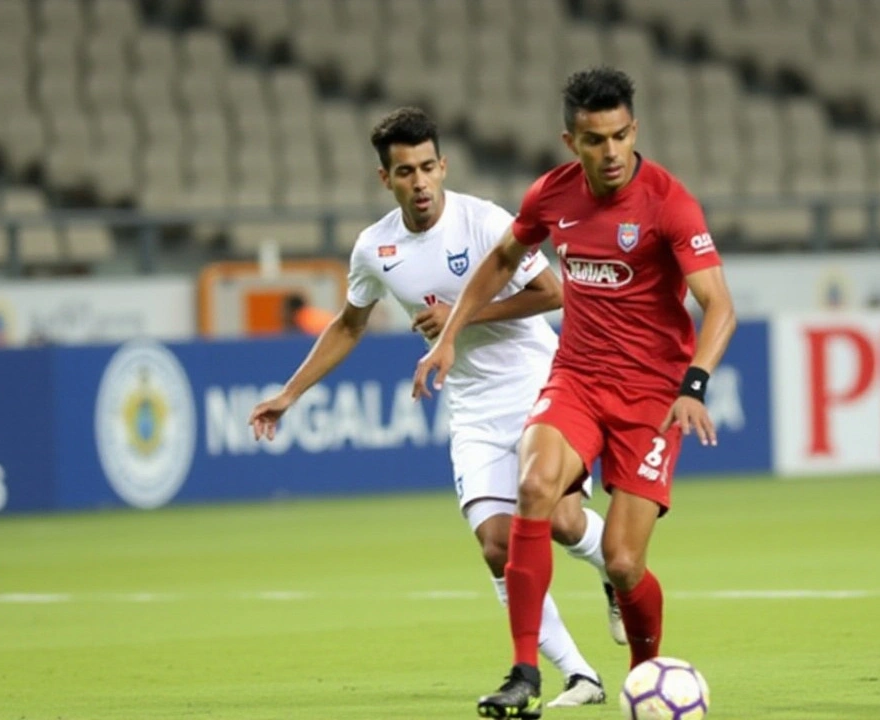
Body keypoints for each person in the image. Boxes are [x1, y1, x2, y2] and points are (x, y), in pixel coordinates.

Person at [248, 108, 615, 708]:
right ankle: (580, 676)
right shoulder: (375, 248)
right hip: (471, 404)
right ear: (384, 179)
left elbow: (552, 293)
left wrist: (460, 316)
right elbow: (348, 323)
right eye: (404, 172)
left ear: (443, 166)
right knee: (497, 545)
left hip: (537, 384)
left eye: (426, 168)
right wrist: (290, 393)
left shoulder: (485, 222)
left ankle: (611, 573)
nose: (418, 182)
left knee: (562, 523)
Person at [412, 67, 737, 718]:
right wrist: (451, 332)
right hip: (577, 379)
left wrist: (693, 386)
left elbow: (719, 307)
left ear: (634, 130)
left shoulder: (669, 203)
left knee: (621, 561)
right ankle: (525, 671)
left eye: (620, 135)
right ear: (571, 142)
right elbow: (502, 261)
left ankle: (645, 676)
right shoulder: (551, 196)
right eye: (595, 140)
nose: (611, 152)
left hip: (650, 396)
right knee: (533, 488)